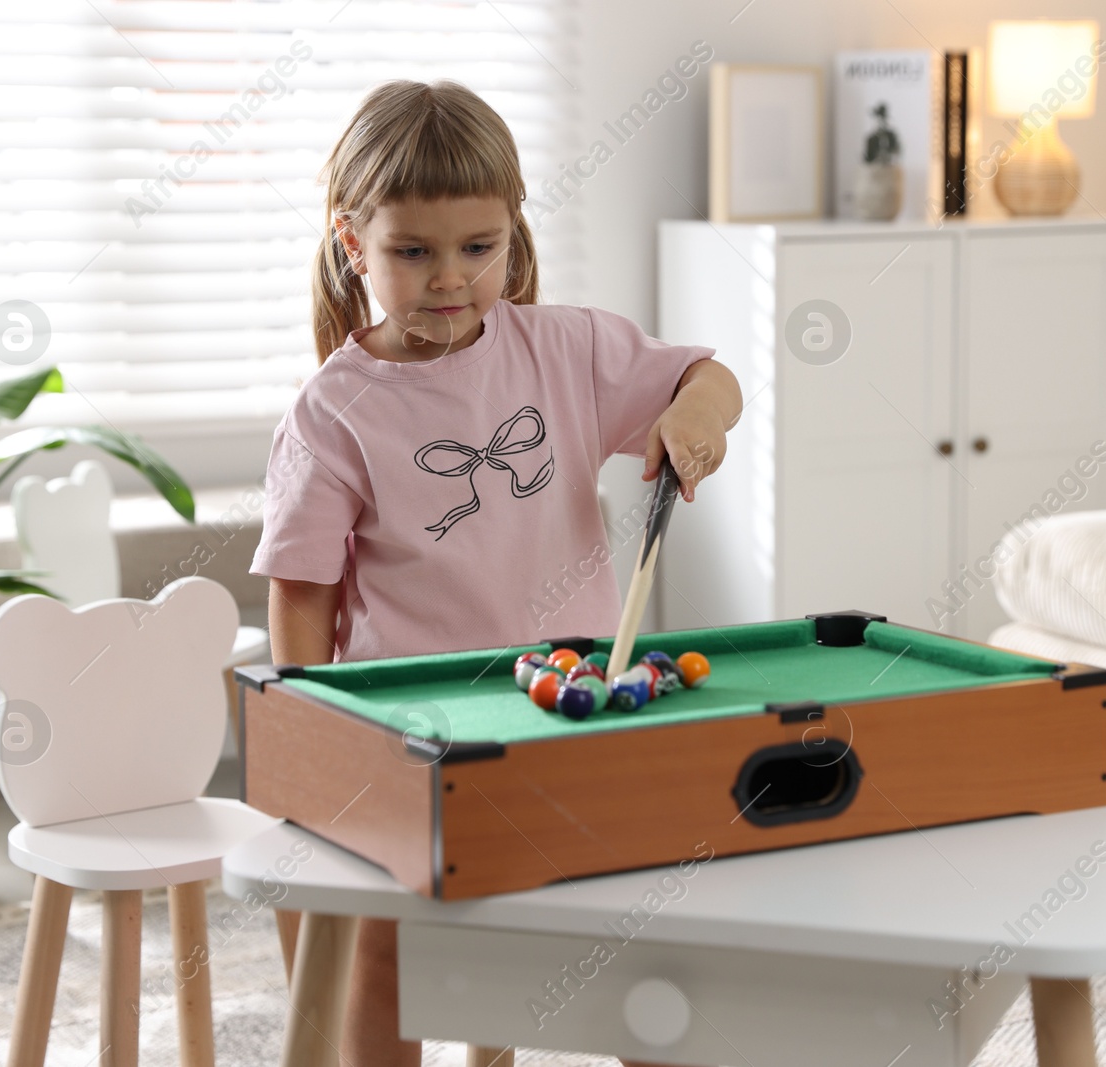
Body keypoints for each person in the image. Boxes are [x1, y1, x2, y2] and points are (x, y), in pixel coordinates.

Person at [250, 78, 742, 1067]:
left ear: (512, 232)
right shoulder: (333, 409)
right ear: (354, 243)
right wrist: (307, 738)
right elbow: (299, 595)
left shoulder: (564, 347)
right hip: (404, 734)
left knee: (638, 948)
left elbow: (707, 376)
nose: (450, 277)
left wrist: (696, 416)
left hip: (575, 717)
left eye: (479, 247)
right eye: (413, 251)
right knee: (384, 965)